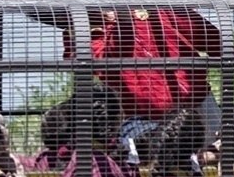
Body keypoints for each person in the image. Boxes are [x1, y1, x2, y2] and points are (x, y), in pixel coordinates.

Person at [92, 8, 226, 146]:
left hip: (197, 99)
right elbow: (106, 60)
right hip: (146, 117)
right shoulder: (89, 26)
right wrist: (123, 19)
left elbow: (204, 33)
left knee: (225, 148)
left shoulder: (157, 2)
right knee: (157, 160)